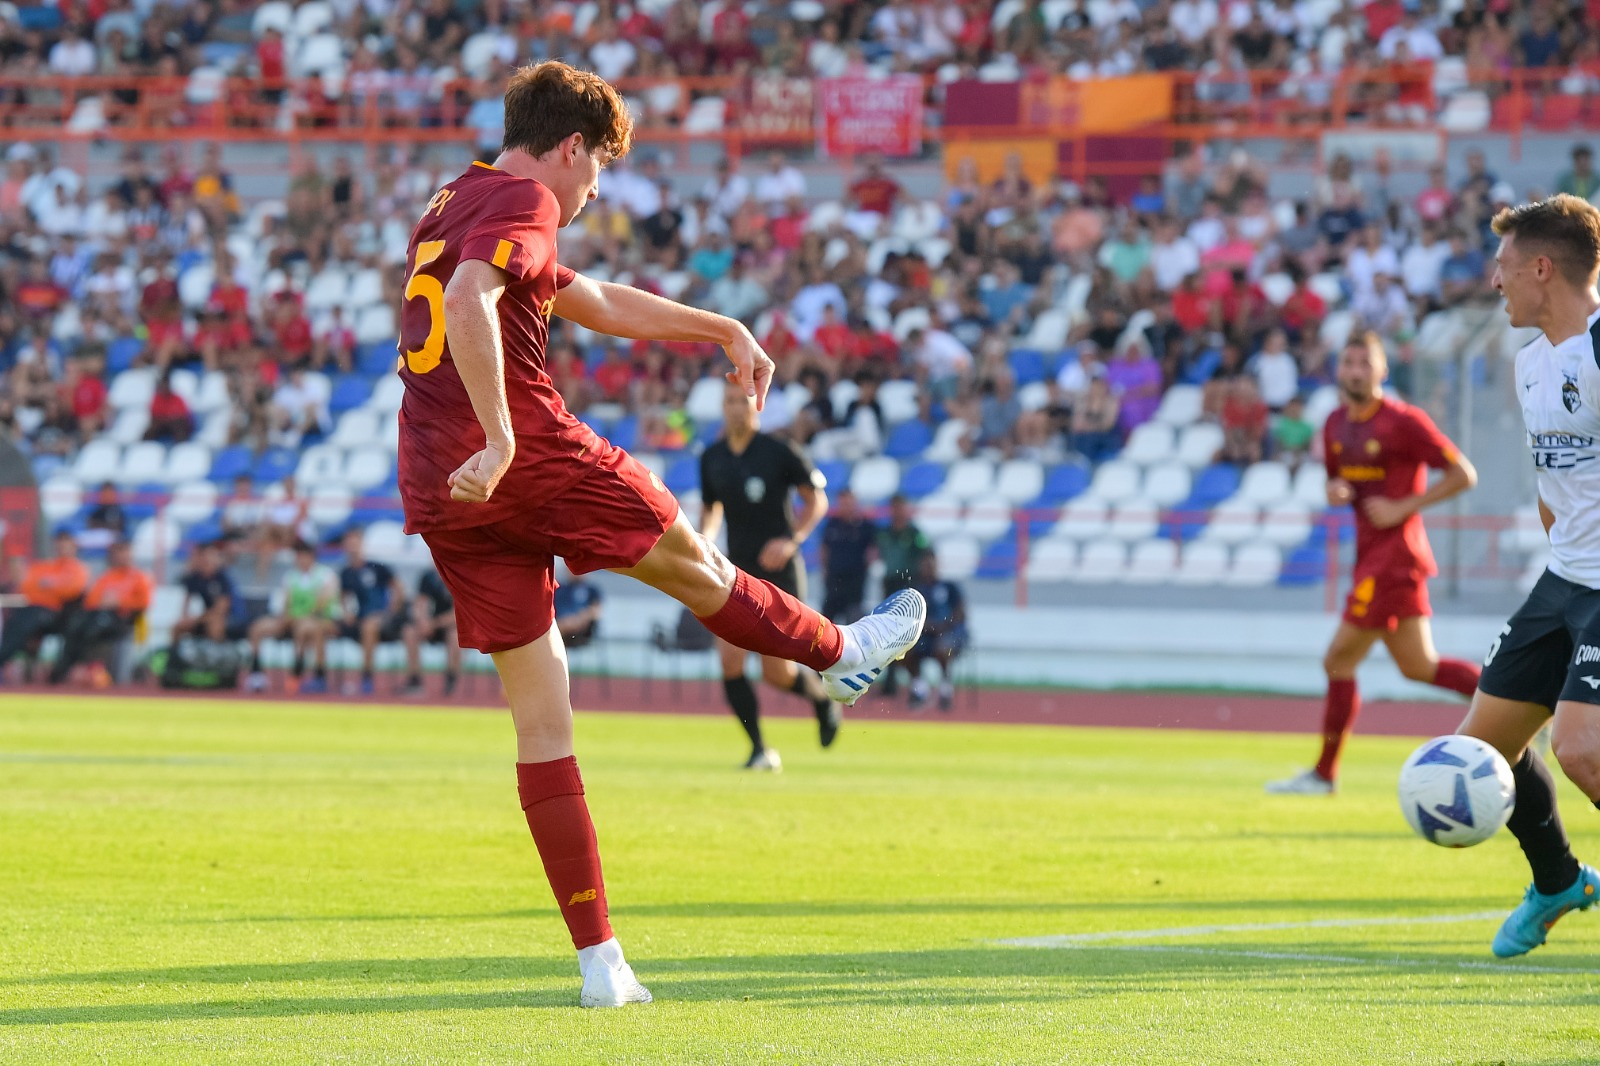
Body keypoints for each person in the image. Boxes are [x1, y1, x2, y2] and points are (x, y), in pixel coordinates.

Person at [392, 61, 924, 1009]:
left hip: (443, 486)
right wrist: (509, 434)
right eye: (596, 171)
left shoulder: (454, 197)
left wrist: (718, 326)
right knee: (701, 566)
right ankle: (840, 653)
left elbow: (583, 298)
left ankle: (602, 965)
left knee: (543, 723)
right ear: (569, 148)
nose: (593, 193)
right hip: (527, 457)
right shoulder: (524, 196)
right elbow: (474, 298)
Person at [1452, 194, 1600, 957]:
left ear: (1543, 268)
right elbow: (1555, 492)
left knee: (1582, 749)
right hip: (1563, 583)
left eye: (1505, 267)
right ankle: (1558, 881)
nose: (1496, 281)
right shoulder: (1531, 363)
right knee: (1481, 755)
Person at [1267, 333, 1480, 796]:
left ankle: (1323, 775)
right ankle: (1524, 705)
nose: (1357, 370)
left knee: (1338, 658)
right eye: (1349, 362)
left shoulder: (1404, 422)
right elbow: (1336, 485)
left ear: (1384, 371)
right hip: (1372, 559)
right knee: (1419, 668)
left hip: (1395, 559)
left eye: (1366, 362)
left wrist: (1405, 506)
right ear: (1338, 371)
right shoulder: (1334, 425)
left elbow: (1464, 473)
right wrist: (1335, 493)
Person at [700, 379, 841, 770]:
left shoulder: (779, 451)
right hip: (735, 573)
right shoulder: (711, 457)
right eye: (727, 401)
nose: (734, 408)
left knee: (777, 673)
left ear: (755, 407)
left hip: (779, 571)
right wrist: (706, 539)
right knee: (730, 660)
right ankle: (760, 748)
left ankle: (819, 699)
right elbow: (711, 508)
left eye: (741, 401)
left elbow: (817, 500)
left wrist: (792, 539)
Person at [48, 539, 153, 685]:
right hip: (99, 615)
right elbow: (91, 601)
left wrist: (119, 602)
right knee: (75, 626)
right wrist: (103, 602)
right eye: (117, 552)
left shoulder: (139, 577)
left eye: (123, 551)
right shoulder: (106, 577)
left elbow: (144, 603)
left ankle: (89, 668)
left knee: (94, 628)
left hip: (123, 619)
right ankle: (64, 672)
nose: (120, 556)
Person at [244, 539, 339, 694]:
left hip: (320, 620)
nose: (301, 560)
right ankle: (256, 673)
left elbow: (323, 602)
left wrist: (300, 616)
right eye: (299, 556)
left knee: (305, 628)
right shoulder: (291, 576)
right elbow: (285, 603)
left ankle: (300, 674)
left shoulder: (325, 575)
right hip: (293, 619)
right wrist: (286, 617)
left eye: (304, 556)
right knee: (257, 628)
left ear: (312, 557)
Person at [0, 530, 88, 676]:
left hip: (58, 615)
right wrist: (50, 584)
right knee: (15, 623)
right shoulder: (44, 566)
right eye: (59, 542)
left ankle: (3, 659)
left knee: (25, 622)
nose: (62, 546)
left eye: (66, 542)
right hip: (32, 609)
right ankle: (8, 660)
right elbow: (26, 586)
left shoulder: (77, 568)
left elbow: (72, 589)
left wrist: (49, 584)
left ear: (74, 546)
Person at [336, 527, 409, 696]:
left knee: (369, 627)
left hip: (383, 619)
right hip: (359, 619)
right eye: (348, 543)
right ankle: (320, 677)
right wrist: (347, 613)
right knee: (324, 627)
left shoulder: (377, 567)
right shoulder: (346, 573)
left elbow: (398, 588)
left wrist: (392, 610)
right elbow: (343, 597)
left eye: (355, 542)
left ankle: (366, 676)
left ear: (361, 543)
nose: (352, 546)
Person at [902, 553, 968, 713]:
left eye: (931, 565)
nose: (928, 569)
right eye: (925, 565)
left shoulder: (949, 587)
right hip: (923, 634)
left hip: (948, 634)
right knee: (904, 650)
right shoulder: (915, 590)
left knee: (942, 647)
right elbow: (909, 616)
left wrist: (944, 626)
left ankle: (946, 688)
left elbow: (960, 612)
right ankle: (919, 687)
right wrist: (925, 626)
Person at [171, 541, 252, 645]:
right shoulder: (195, 577)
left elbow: (221, 609)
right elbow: (187, 600)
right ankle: (174, 656)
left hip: (232, 617)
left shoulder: (223, 577)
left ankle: (217, 656)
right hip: (207, 616)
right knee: (178, 626)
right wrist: (185, 618)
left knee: (215, 625)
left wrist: (196, 620)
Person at [402, 565, 461, 697]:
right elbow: (419, 603)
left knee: (455, 637)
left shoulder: (458, 576)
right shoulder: (427, 577)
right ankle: (414, 679)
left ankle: (451, 679)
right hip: (428, 624)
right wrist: (422, 620)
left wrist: (433, 624)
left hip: (446, 626)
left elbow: (457, 612)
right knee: (409, 632)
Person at [820, 487, 876, 623]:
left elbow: (872, 550)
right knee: (827, 621)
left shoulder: (865, 526)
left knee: (854, 620)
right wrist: (825, 570)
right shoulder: (832, 524)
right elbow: (824, 549)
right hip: (834, 580)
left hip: (854, 581)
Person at [553, 574, 603, 646]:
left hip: (583, 632)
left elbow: (596, 611)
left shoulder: (592, 590)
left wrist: (578, 619)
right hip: (560, 628)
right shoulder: (559, 589)